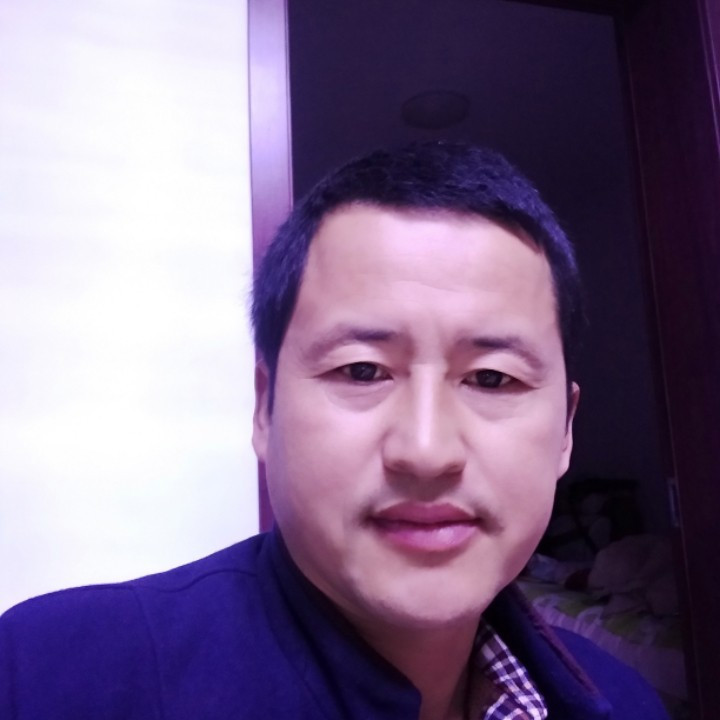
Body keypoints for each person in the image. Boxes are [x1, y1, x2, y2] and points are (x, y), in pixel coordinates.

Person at [0, 142, 667, 719]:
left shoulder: (629, 701)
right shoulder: (48, 677)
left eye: (492, 379)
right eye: (361, 370)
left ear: (565, 430)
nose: (426, 450)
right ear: (264, 410)